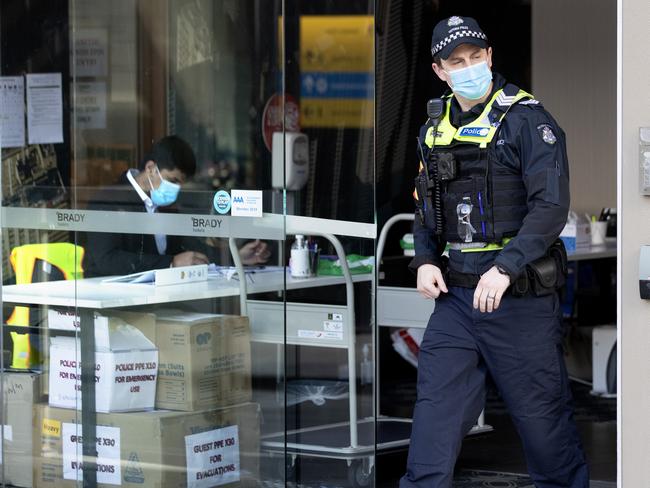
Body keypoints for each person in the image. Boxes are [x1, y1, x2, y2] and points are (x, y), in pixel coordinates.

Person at [400, 16, 589, 488]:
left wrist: (504, 268)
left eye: (476, 57)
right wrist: (424, 259)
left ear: (490, 57)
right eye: (456, 62)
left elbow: (551, 208)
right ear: (440, 70)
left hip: (517, 298)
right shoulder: (433, 126)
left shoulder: (527, 120)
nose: (469, 68)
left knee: (543, 424)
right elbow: (427, 206)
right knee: (433, 423)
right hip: (457, 299)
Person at [82, 135, 270, 277]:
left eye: (181, 184)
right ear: (150, 169)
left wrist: (236, 257)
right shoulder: (109, 199)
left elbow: (188, 248)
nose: (176, 189)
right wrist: (170, 263)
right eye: (172, 180)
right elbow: (106, 260)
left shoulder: (164, 204)